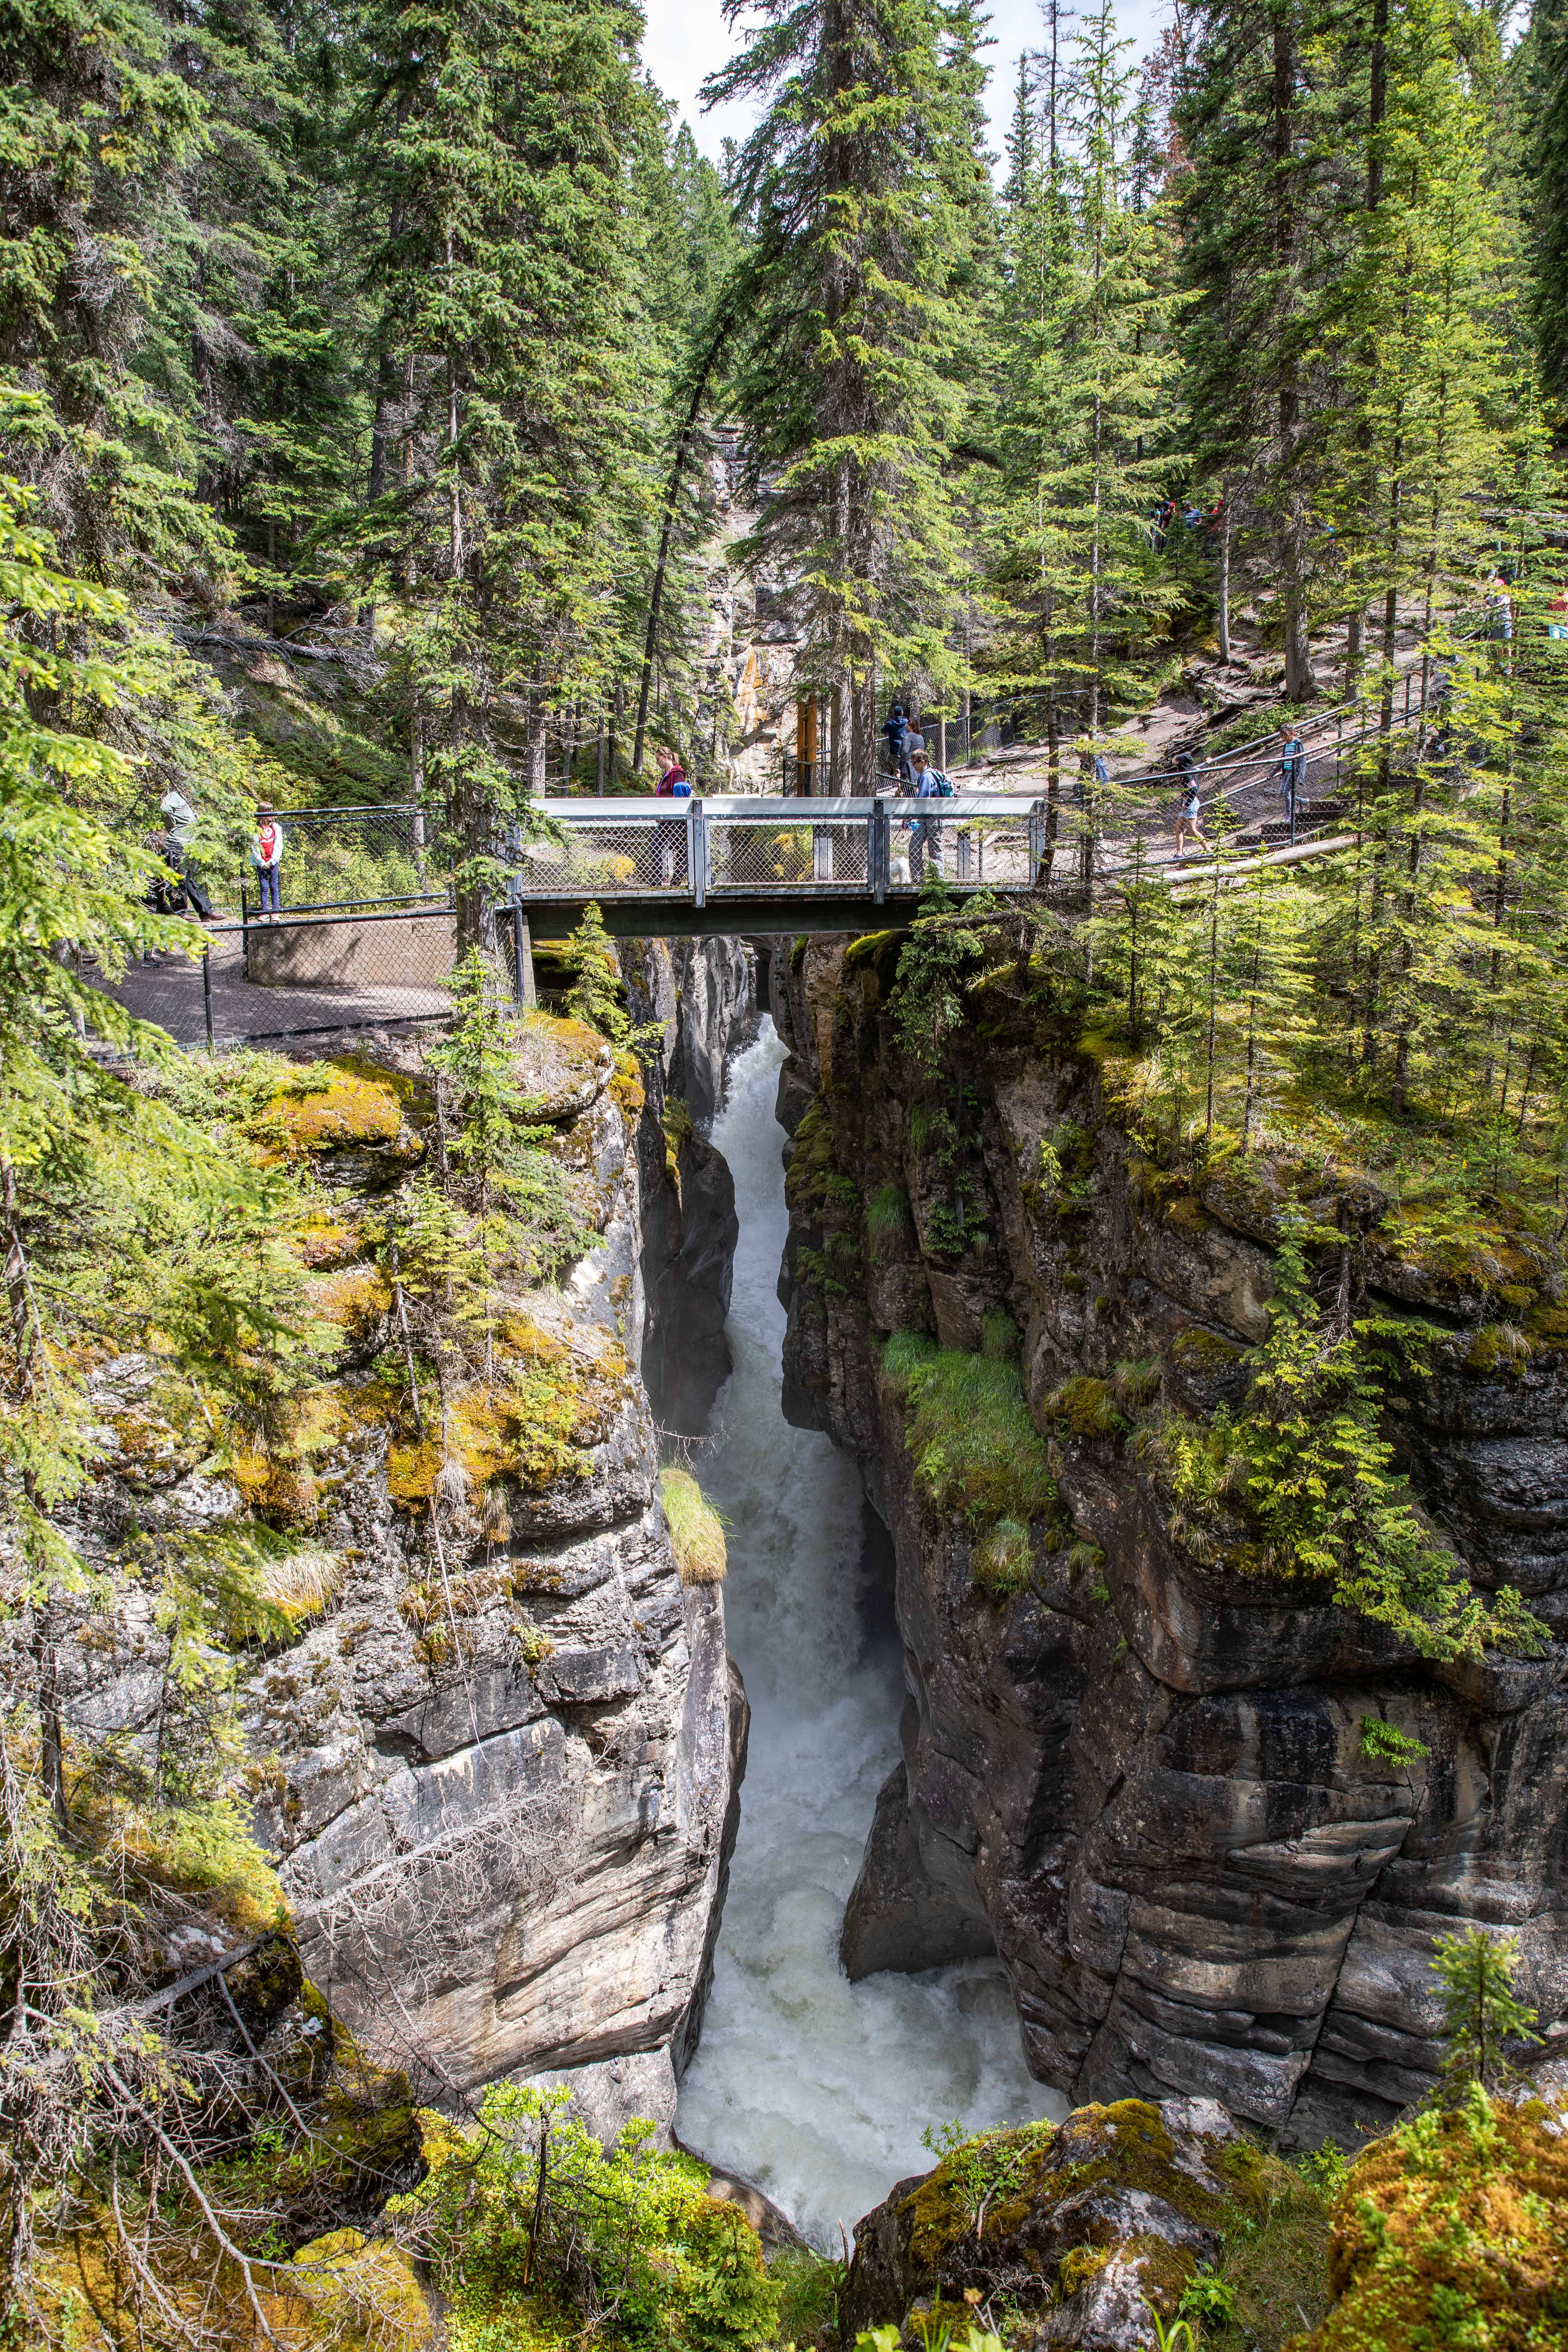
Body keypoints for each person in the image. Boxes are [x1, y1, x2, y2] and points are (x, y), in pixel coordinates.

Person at [160, 785, 214, 919]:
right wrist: (171, 825)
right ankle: (180, 912)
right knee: (179, 878)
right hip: (177, 843)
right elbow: (165, 810)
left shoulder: (185, 797)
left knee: (194, 878)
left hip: (190, 845)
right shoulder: (173, 796)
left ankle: (207, 912)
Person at [907, 744, 952, 882]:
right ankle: (917, 879)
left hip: (933, 818)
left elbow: (922, 799)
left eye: (914, 763)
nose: (913, 766)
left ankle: (938, 881)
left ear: (923, 762)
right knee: (915, 846)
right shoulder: (923, 776)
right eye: (912, 763)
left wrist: (909, 817)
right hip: (924, 818)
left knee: (935, 849)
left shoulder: (927, 777)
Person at [653, 744, 690, 886]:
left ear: (665, 757)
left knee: (681, 851)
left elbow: (680, 796)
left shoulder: (677, 773)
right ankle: (657, 881)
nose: (657, 763)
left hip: (676, 821)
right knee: (657, 846)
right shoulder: (666, 776)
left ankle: (675, 882)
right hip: (666, 820)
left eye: (658, 760)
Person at [250, 806, 285, 920]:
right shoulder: (255, 829)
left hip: (273, 862)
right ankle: (264, 912)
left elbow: (279, 846)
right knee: (264, 887)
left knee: (274, 886)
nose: (272, 814)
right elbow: (254, 847)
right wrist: (261, 862)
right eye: (269, 812)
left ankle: (275, 913)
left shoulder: (276, 828)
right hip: (261, 863)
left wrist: (272, 861)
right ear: (262, 813)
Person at [1174, 753, 1208, 858]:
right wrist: (1208, 762)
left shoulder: (1188, 775)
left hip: (1190, 803)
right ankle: (1179, 853)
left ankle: (1208, 849)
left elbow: (1194, 789)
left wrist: (1187, 804)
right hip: (1187, 803)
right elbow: (1202, 768)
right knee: (1178, 828)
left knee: (1192, 829)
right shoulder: (1193, 770)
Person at [1278, 728, 1306, 826]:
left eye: (1285, 735)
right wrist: (1273, 773)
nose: (1284, 738)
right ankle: (1302, 801)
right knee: (1282, 792)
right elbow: (1283, 759)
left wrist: (1301, 777)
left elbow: (1303, 759)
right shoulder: (1286, 745)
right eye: (1283, 736)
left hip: (1294, 771)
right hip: (1287, 771)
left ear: (1292, 733)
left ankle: (1289, 815)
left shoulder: (1298, 743)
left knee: (1286, 792)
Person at [883, 702, 910, 781]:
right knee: (906, 768)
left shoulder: (890, 724)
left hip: (895, 751)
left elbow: (883, 731)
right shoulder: (907, 722)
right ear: (902, 713)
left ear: (895, 714)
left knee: (897, 771)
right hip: (906, 749)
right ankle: (908, 786)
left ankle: (900, 790)